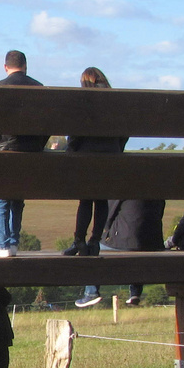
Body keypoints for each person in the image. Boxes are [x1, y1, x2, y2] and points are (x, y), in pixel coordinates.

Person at [0, 50, 46, 258]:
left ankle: (2, 245)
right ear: (26, 66)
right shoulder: (40, 89)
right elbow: (47, 126)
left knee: (1, 199)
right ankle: (13, 242)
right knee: (17, 199)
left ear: (5, 67)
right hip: (29, 153)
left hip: (3, 151)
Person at [59, 67, 126, 256]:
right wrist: (117, 149)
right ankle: (95, 241)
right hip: (110, 157)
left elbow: (75, 134)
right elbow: (124, 132)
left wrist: (71, 151)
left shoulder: (84, 101)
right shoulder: (116, 101)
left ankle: (79, 241)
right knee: (101, 199)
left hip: (87, 157)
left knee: (86, 200)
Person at [77, 198, 165, 308]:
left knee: (92, 249)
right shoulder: (156, 188)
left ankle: (91, 293)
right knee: (138, 250)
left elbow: (108, 214)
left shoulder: (123, 187)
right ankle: (135, 293)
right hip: (154, 243)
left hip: (125, 240)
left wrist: (106, 233)